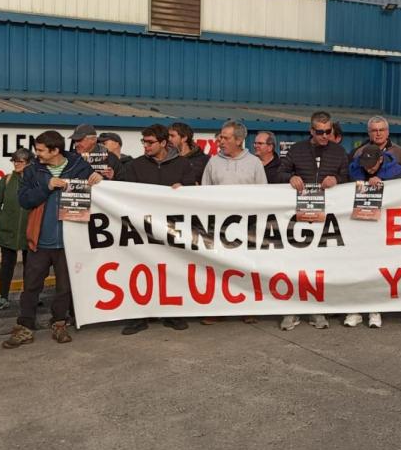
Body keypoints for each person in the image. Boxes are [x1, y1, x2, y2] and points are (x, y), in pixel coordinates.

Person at [2, 131, 102, 349]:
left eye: (40, 150)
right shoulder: (32, 171)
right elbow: (24, 200)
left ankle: (59, 323)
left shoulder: (81, 167)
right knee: (31, 286)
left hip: (70, 242)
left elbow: (101, 196)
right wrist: (46, 187)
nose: (36, 154)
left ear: (55, 150)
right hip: (40, 240)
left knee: (64, 287)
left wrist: (100, 181)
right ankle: (24, 327)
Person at [117, 124, 195, 334]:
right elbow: (125, 192)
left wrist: (184, 190)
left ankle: (172, 313)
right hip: (142, 227)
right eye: (144, 142)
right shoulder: (134, 165)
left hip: (172, 227)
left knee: (171, 268)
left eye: (150, 142)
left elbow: (193, 191)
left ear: (163, 143)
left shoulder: (182, 164)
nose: (146, 146)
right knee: (140, 269)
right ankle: (138, 316)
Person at [278, 111, 350, 331]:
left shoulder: (339, 152)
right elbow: (280, 172)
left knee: (321, 265)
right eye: (320, 132)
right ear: (311, 131)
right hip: (299, 217)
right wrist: (291, 177)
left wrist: (336, 179)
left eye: (328, 131)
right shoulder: (297, 150)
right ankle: (292, 310)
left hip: (328, 218)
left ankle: (316, 309)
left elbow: (348, 177)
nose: (324, 136)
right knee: (296, 264)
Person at [200, 120, 267, 325]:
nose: (220, 141)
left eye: (225, 138)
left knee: (247, 268)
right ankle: (217, 309)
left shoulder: (254, 163)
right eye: (220, 137)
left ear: (239, 140)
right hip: (218, 228)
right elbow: (203, 192)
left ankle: (248, 308)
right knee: (218, 268)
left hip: (247, 228)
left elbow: (264, 194)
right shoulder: (213, 162)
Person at [344, 144, 401, 328]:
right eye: (365, 164)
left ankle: (375, 309)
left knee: (378, 266)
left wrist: (383, 181)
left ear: (380, 160)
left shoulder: (396, 170)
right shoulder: (355, 168)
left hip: (383, 225)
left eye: (372, 164)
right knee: (356, 266)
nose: (368, 168)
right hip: (357, 222)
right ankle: (355, 309)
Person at [0, 148, 31, 311]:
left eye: (20, 161)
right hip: (7, 231)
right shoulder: (7, 180)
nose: (16, 164)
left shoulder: (36, 181)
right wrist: (0, 221)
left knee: (31, 266)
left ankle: (30, 296)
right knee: (7, 265)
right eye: (14, 161)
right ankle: (3, 297)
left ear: (29, 163)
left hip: (29, 231)